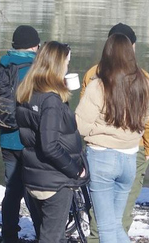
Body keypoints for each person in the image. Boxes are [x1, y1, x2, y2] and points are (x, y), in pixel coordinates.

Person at [78, 23, 149, 243]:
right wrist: (148, 146)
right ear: (132, 49)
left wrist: (98, 133)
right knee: (115, 224)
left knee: (105, 228)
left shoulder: (96, 82)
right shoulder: (145, 82)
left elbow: (81, 124)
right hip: (130, 156)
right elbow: (147, 121)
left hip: (102, 157)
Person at [15, 41, 88, 243]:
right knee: (52, 238)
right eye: (67, 62)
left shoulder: (27, 92)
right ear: (57, 64)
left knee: (45, 234)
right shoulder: (51, 101)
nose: (68, 67)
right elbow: (50, 146)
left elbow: (32, 135)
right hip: (54, 181)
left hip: (34, 176)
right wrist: (75, 170)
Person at [0, 25, 42, 243]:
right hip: (31, 141)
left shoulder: (0, 68)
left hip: (7, 138)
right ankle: (43, 234)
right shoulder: (38, 70)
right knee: (35, 191)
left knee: (12, 192)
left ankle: (9, 237)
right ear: (35, 46)